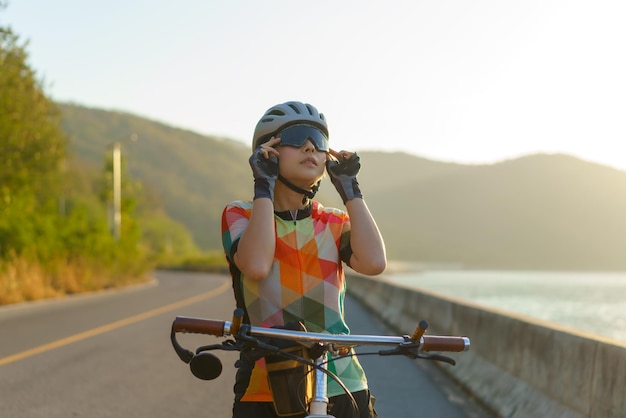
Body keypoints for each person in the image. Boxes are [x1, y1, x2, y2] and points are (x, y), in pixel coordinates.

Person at [221, 101, 386, 418]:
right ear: (266, 152)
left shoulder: (334, 222)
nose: (310, 146)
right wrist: (263, 186)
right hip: (265, 382)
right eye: (297, 137)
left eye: (319, 141)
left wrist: (351, 190)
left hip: (342, 382)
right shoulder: (240, 213)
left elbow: (374, 263)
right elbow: (256, 265)